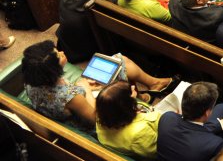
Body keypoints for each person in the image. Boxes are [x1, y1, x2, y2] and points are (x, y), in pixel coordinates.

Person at [23, 39, 172, 128]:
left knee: (118, 61)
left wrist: (80, 86)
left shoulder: (31, 80)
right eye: (58, 55)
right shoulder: (70, 97)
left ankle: (150, 87)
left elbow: (58, 93)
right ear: (52, 69)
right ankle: (150, 88)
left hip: (73, 101)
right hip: (90, 120)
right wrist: (86, 89)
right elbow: (94, 119)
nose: (62, 52)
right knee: (120, 63)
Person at [95, 80, 163, 158]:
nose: (133, 87)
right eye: (131, 91)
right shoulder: (140, 133)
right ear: (125, 103)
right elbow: (156, 153)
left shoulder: (104, 115)